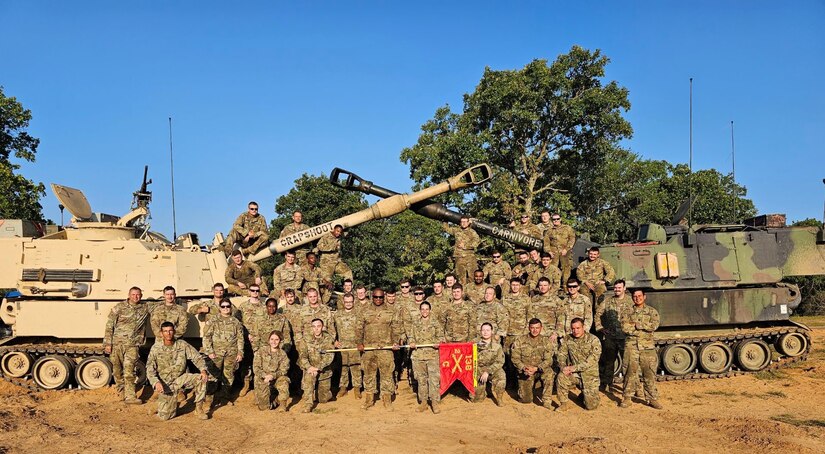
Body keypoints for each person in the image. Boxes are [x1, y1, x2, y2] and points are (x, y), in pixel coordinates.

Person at [146, 322, 209, 420]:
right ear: (161, 333)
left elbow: (197, 357)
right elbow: (150, 368)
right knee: (166, 417)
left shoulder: (182, 345)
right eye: (165, 331)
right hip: (166, 384)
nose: (168, 333)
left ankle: (199, 409)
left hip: (181, 379)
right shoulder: (156, 348)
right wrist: (156, 382)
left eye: (170, 330)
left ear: (174, 332)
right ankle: (160, 406)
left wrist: (203, 370)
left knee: (201, 379)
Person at [103, 286, 149, 405]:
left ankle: (130, 396)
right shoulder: (119, 307)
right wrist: (108, 343)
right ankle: (120, 390)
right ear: (129, 295)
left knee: (129, 371)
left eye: (138, 294)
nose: (135, 297)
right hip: (117, 344)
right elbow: (109, 325)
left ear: (141, 296)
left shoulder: (144, 307)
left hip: (132, 345)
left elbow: (162, 305)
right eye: (133, 294)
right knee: (117, 370)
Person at [357, 287, 400, 410]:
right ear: (372, 297)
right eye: (376, 297)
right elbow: (359, 328)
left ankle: (387, 400)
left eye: (381, 297)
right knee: (369, 374)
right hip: (369, 348)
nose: (378, 299)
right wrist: (359, 343)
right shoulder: (364, 310)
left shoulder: (391, 311)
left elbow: (396, 328)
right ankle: (369, 399)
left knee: (387, 374)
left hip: (385, 348)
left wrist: (396, 342)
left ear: (384, 297)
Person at [620, 289, 663, 409]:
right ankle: (627, 397)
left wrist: (638, 325)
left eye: (639, 296)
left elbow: (654, 325)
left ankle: (652, 398)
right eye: (634, 296)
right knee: (629, 372)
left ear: (644, 297)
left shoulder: (652, 312)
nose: (637, 298)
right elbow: (625, 327)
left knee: (649, 373)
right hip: (631, 346)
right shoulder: (627, 311)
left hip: (647, 347)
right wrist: (643, 329)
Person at [202, 298, 244, 407]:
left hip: (231, 353)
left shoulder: (235, 322)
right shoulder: (213, 320)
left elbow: (240, 338)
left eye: (228, 306)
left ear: (231, 308)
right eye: (223, 306)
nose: (226, 308)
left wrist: (240, 352)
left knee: (229, 375)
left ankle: (225, 397)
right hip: (216, 354)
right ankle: (209, 399)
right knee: (213, 375)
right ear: (220, 308)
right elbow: (206, 337)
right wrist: (209, 351)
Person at [555, 318, 602, 412]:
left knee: (591, 406)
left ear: (583, 327)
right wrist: (563, 367)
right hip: (575, 375)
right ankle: (564, 403)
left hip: (589, 376)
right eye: (573, 328)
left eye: (578, 328)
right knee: (561, 376)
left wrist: (573, 368)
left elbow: (591, 361)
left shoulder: (594, 340)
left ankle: (586, 395)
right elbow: (561, 355)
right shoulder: (567, 339)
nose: (575, 331)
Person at [407, 301, 446, 414]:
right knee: (421, 380)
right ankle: (423, 402)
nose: (424, 311)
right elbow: (410, 336)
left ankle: (434, 402)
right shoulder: (415, 323)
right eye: (422, 309)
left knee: (434, 380)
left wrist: (438, 342)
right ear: (420, 310)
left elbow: (441, 337)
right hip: (418, 356)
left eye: (426, 309)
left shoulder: (435, 323)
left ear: (430, 310)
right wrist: (412, 342)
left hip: (432, 355)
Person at [595, 279, 633, 390]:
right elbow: (598, 314)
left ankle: (630, 387)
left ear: (624, 289)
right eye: (615, 288)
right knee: (609, 362)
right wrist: (600, 327)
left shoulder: (631, 302)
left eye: (619, 288)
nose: (616, 290)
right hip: (611, 338)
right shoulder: (607, 301)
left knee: (628, 364)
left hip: (625, 338)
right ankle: (607, 384)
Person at [510, 318, 556, 408]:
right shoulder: (520, 340)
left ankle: (546, 401)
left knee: (549, 373)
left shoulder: (546, 341)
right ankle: (526, 388)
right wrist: (524, 368)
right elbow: (514, 358)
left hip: (540, 370)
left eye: (537, 328)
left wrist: (536, 368)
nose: (535, 330)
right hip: (526, 371)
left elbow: (548, 360)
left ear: (541, 328)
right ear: (528, 328)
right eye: (532, 328)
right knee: (526, 400)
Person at [298, 319, 336, 413]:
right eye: (314, 327)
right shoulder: (305, 340)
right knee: (309, 380)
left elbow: (329, 356)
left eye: (318, 326)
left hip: (324, 372)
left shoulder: (328, 339)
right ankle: (308, 404)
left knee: (323, 399)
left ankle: (318, 393)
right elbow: (302, 356)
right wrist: (310, 367)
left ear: (322, 327)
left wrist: (318, 368)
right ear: (311, 328)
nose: (316, 329)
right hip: (310, 370)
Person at [333, 293, 362, 398]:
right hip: (342, 345)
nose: (348, 304)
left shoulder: (359, 314)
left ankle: (357, 388)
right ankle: (343, 387)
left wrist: (361, 342)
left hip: (355, 345)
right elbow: (332, 328)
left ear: (353, 302)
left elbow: (362, 328)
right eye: (346, 302)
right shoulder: (337, 314)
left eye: (350, 302)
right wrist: (334, 341)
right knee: (343, 367)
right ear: (343, 302)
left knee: (356, 367)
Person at [253, 330, 291, 411]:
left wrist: (272, 376)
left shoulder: (283, 354)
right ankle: (274, 400)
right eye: (272, 339)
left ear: (280, 341)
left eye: (276, 339)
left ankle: (282, 404)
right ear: (268, 340)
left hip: (276, 379)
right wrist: (265, 376)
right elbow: (256, 368)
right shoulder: (261, 351)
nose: (274, 342)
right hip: (263, 379)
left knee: (284, 380)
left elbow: (284, 370)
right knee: (264, 408)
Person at [474, 323, 506, 406]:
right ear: (480, 332)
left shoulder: (497, 346)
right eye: (483, 330)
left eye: (488, 330)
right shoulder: (474, 344)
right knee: (477, 400)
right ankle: (483, 391)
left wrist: (488, 371)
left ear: (492, 331)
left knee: (501, 375)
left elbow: (500, 361)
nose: (485, 332)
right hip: (478, 370)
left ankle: (499, 398)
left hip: (492, 370)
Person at [443, 216, 481, 285]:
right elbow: (446, 229)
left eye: (465, 222)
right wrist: (445, 219)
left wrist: (466, 246)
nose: (463, 223)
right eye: (462, 222)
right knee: (460, 278)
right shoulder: (456, 230)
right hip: (459, 257)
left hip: (470, 257)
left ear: (468, 223)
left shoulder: (472, 232)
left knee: (472, 277)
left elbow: (477, 242)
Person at [544, 213, 576, 289]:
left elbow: (572, 239)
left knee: (566, 268)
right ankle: (552, 286)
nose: (556, 220)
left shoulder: (567, 228)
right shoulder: (549, 231)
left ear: (560, 219)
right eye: (554, 219)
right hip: (553, 252)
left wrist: (567, 249)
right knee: (552, 269)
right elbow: (546, 242)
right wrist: (549, 251)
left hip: (565, 251)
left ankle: (565, 285)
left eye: (557, 219)